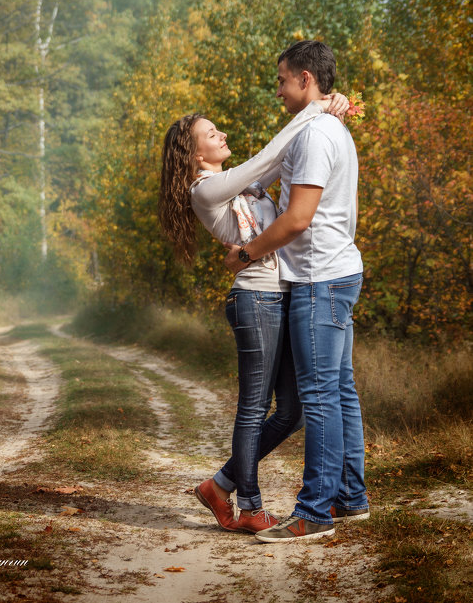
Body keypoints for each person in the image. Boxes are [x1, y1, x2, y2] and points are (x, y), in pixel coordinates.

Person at [158, 89, 349, 534]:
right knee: (253, 408)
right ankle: (250, 507)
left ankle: (219, 485)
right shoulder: (205, 189)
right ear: (193, 152)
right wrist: (313, 109)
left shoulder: (243, 186)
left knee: (292, 411)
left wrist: (332, 114)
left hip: (281, 295)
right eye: (210, 133)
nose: (221, 133)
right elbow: (270, 154)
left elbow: (296, 158)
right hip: (255, 299)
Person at [224, 40, 369, 543]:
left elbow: (297, 219)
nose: (279, 91)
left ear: (307, 79)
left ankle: (315, 512)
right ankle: (350, 498)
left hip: (319, 279)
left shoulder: (313, 138)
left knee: (320, 395)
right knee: (340, 390)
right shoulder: (333, 129)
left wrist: (245, 253)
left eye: (284, 80)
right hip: (339, 272)